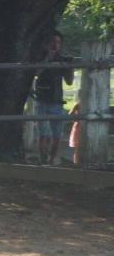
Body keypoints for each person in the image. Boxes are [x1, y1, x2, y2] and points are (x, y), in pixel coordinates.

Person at [32, 30, 74, 165]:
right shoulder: (40, 57)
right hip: (42, 101)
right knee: (43, 133)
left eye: (58, 42)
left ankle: (52, 160)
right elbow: (37, 72)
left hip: (57, 102)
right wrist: (47, 59)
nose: (55, 45)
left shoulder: (62, 59)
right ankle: (42, 158)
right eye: (52, 41)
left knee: (57, 136)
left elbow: (69, 82)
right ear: (46, 43)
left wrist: (70, 67)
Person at [68, 97, 82, 165]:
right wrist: (76, 119)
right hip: (79, 127)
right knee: (79, 148)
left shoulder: (79, 105)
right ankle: (76, 163)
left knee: (81, 148)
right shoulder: (78, 105)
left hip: (81, 125)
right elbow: (70, 114)